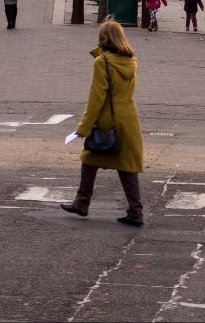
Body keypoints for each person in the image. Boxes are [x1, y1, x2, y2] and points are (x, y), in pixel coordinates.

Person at [60, 20, 144, 227]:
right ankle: (136, 211)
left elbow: (96, 98)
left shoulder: (102, 62)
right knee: (127, 166)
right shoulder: (130, 59)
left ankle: (82, 202)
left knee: (89, 158)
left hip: (108, 120)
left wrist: (83, 128)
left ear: (103, 39)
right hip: (129, 119)